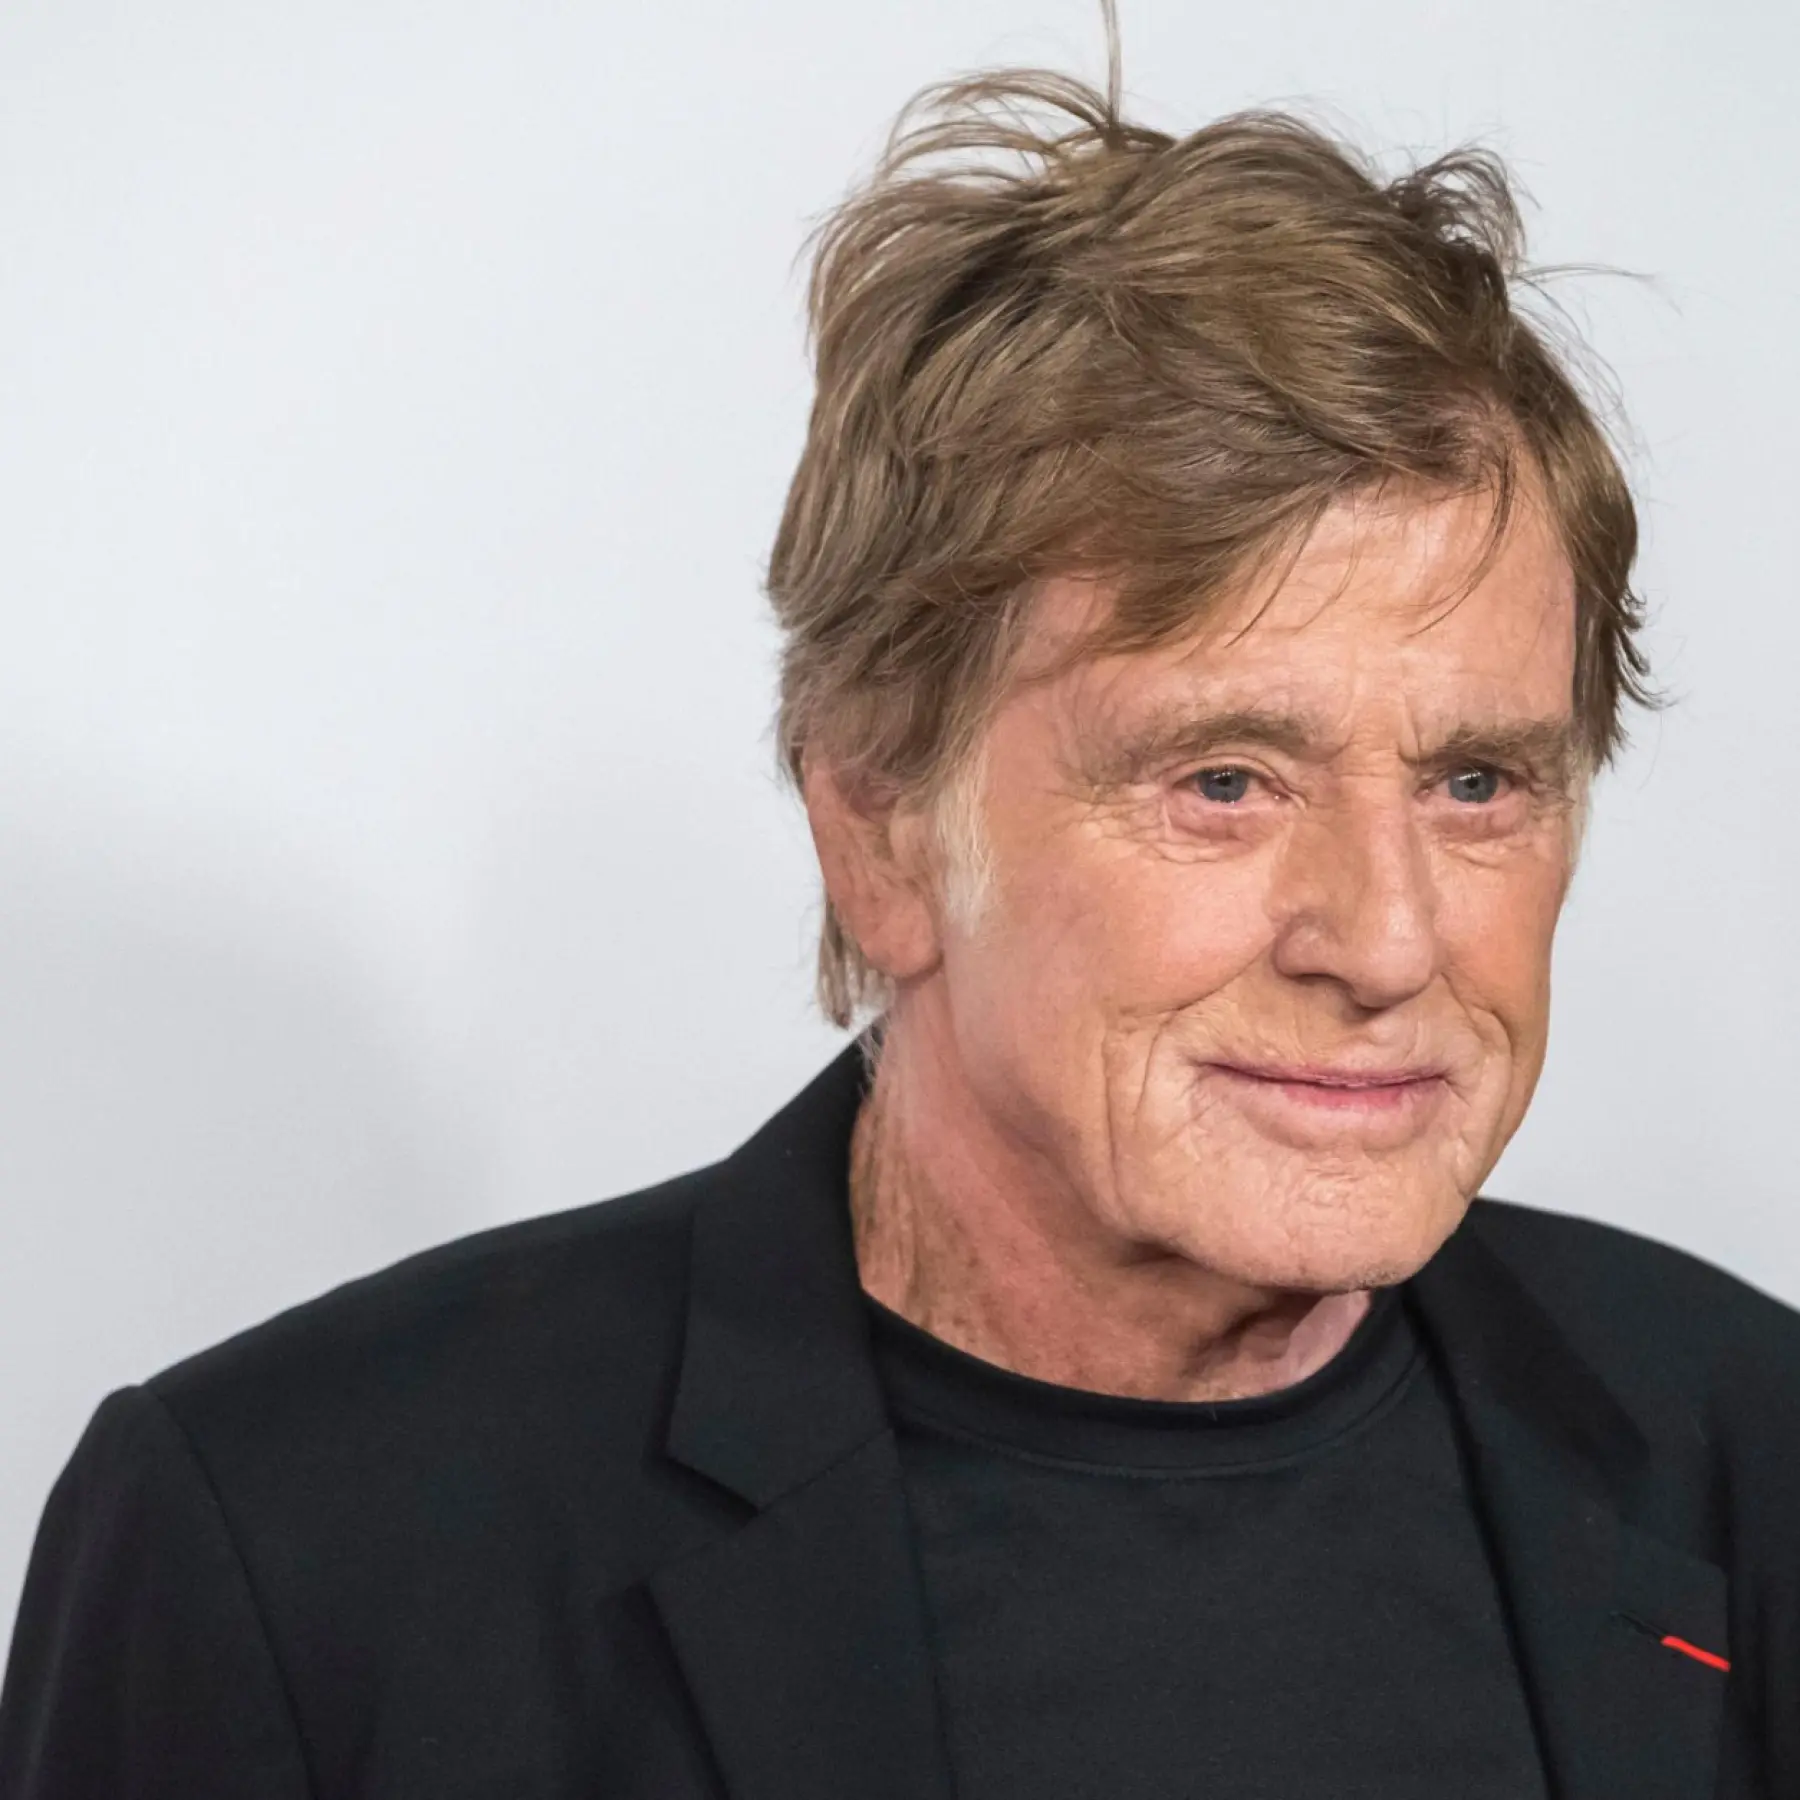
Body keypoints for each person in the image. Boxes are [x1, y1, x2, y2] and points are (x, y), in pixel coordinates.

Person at [3, 23, 1798, 1800]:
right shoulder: (299, 1551)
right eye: (1224, 782)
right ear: (876, 826)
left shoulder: (1753, 1448)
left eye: (1477, 784)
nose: (1390, 941)